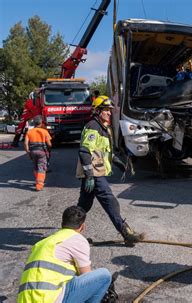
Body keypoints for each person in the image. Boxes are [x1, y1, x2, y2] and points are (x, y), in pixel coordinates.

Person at [76, 95, 145, 246]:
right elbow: (85, 151)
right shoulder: (93, 127)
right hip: (93, 174)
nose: (109, 113)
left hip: (94, 173)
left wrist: (116, 162)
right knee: (110, 201)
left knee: (84, 206)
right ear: (97, 111)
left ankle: (68, 233)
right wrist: (89, 175)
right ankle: (126, 233)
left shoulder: (103, 127)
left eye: (110, 110)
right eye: (106, 110)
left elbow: (101, 151)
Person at [18, 206, 111, 303]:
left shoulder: (43, 243)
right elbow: (86, 275)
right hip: (49, 299)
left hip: (25, 300)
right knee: (104, 276)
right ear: (83, 226)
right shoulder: (77, 239)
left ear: (62, 224)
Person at [24, 115, 52, 191]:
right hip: (42, 152)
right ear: (41, 123)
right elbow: (49, 144)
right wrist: (49, 151)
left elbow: (26, 144)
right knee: (41, 168)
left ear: (34, 123)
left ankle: (37, 181)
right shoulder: (45, 131)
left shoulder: (29, 132)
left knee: (35, 167)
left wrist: (28, 153)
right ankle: (39, 186)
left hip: (33, 152)